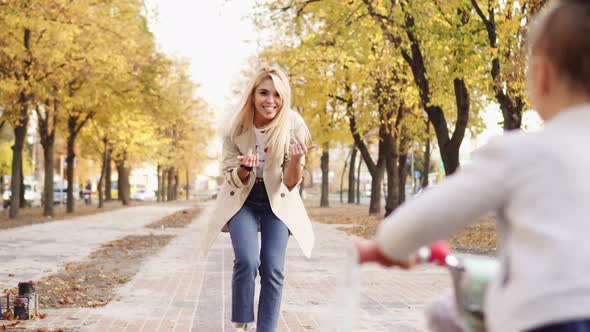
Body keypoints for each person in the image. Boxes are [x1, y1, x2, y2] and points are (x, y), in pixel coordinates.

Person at [356, 1, 590, 331]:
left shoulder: (521, 152)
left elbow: (418, 222)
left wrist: (388, 245)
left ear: (543, 75)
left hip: (543, 319)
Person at [202, 66, 316, 332]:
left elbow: (289, 183)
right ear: (252, 95)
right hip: (244, 199)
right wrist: (244, 168)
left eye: (277, 94)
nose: (270, 100)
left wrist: (297, 160)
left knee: (273, 269)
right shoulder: (235, 126)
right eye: (264, 93)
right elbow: (230, 174)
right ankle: (242, 322)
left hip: (277, 200)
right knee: (247, 260)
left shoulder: (293, 124)